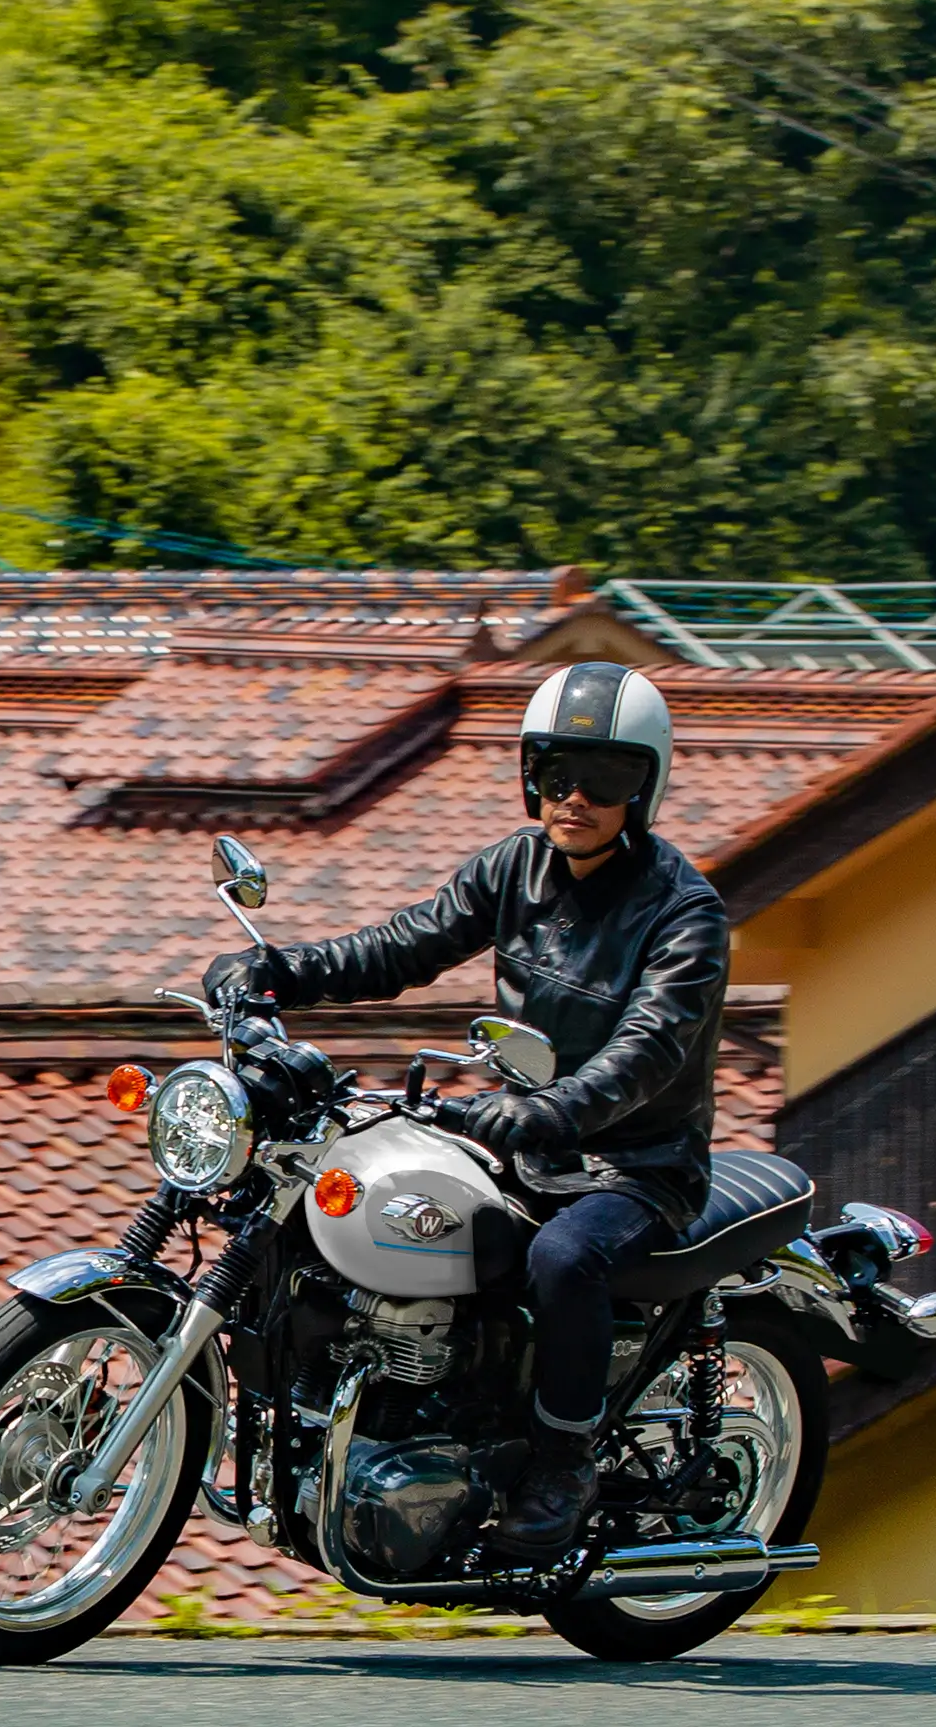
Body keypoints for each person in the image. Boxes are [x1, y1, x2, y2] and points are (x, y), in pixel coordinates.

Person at [204, 661, 728, 1554]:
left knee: (564, 1258)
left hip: (634, 1164)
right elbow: (404, 945)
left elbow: (648, 1050)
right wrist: (280, 971)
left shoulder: (685, 915)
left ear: (645, 787)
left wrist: (552, 1111)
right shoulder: (516, 866)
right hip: (524, 1137)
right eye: (556, 771)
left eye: (604, 777)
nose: (575, 796)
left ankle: (563, 1463)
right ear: (530, 775)